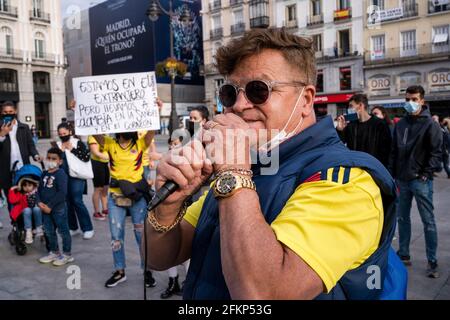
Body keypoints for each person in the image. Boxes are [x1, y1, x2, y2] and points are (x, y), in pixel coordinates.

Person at [143, 28, 405, 300]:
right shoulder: (249, 167)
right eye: (230, 93)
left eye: (259, 90)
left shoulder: (347, 182)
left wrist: (234, 171)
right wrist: (168, 206)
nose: (240, 105)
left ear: (305, 100)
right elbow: (159, 258)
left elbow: (263, 295)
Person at [91, 121, 159, 288]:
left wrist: (155, 111)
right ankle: (119, 271)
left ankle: (147, 270)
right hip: (115, 198)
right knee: (116, 236)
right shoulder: (110, 144)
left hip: (137, 198)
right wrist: (83, 113)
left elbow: (151, 131)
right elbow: (96, 132)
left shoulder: (141, 143)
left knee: (141, 235)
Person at [389, 85, 442, 278]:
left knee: (428, 221)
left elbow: (436, 152)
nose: (410, 103)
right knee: (402, 219)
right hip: (402, 179)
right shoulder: (401, 124)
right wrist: (392, 174)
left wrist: (426, 174)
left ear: (422, 101)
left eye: (413, 99)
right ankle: (404, 254)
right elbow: (394, 151)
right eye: (407, 99)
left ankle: (432, 261)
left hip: (420, 180)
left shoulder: (430, 124)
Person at [56, 123, 94, 239]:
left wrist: (72, 149)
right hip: (63, 177)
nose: (63, 136)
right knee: (67, 202)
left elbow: (86, 157)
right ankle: (73, 227)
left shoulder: (77, 142)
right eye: (60, 134)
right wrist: (59, 153)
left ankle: (87, 228)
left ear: (70, 132)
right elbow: (53, 160)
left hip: (77, 177)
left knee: (77, 201)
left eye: (65, 133)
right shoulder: (57, 145)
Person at [0, 101, 41, 209]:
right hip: (6, 169)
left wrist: (35, 155)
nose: (8, 114)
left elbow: (30, 144)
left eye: (10, 111)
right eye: (5, 112)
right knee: (11, 197)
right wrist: (2, 135)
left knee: (24, 194)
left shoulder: (24, 127)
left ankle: (24, 222)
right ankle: (15, 223)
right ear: (1, 113)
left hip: (23, 167)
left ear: (15, 111)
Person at [38, 147, 73, 266]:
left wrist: (50, 206)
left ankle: (67, 254)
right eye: (48, 158)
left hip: (58, 209)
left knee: (63, 231)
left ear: (60, 161)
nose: (50, 160)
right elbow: (39, 190)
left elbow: (62, 193)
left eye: (54, 158)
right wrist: (39, 202)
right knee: (49, 231)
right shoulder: (44, 173)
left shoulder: (61, 174)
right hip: (45, 209)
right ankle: (54, 252)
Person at [336, 94, 392, 168]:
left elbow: (386, 150)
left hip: (373, 169)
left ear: (360, 105)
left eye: (351, 106)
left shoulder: (379, 124)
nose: (349, 109)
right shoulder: (351, 125)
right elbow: (339, 145)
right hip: (355, 169)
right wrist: (339, 130)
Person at [8, 177, 43, 244]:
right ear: (21, 186)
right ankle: (28, 231)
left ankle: (39, 228)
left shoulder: (37, 193)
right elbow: (12, 200)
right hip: (24, 213)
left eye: (29, 185)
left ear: (33, 185)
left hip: (36, 212)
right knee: (27, 210)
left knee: (37, 208)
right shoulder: (20, 194)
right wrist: (12, 190)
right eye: (25, 185)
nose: (27, 187)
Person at [88, 135, 110, 221]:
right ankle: (96, 212)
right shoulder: (93, 136)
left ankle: (105, 209)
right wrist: (109, 157)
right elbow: (95, 152)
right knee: (98, 188)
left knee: (105, 187)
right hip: (97, 164)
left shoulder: (106, 135)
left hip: (105, 164)